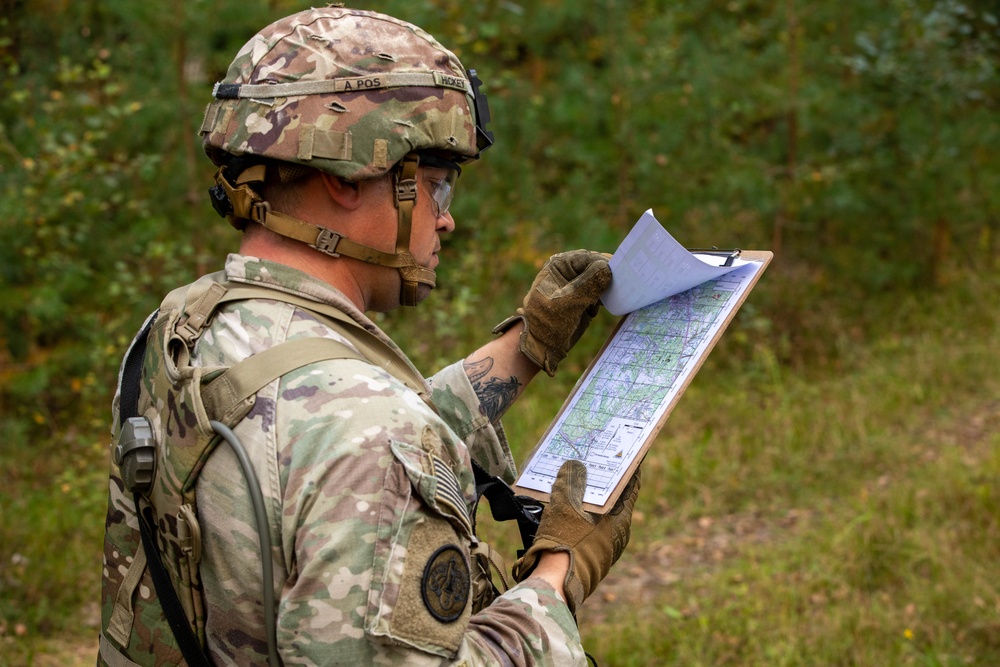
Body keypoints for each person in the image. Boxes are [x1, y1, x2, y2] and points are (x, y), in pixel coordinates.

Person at [99, 7, 640, 666]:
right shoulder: (366, 429)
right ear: (347, 174)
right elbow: (364, 444)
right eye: (437, 186)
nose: (446, 221)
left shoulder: (188, 326)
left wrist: (529, 346)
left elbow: (313, 434)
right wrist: (559, 573)